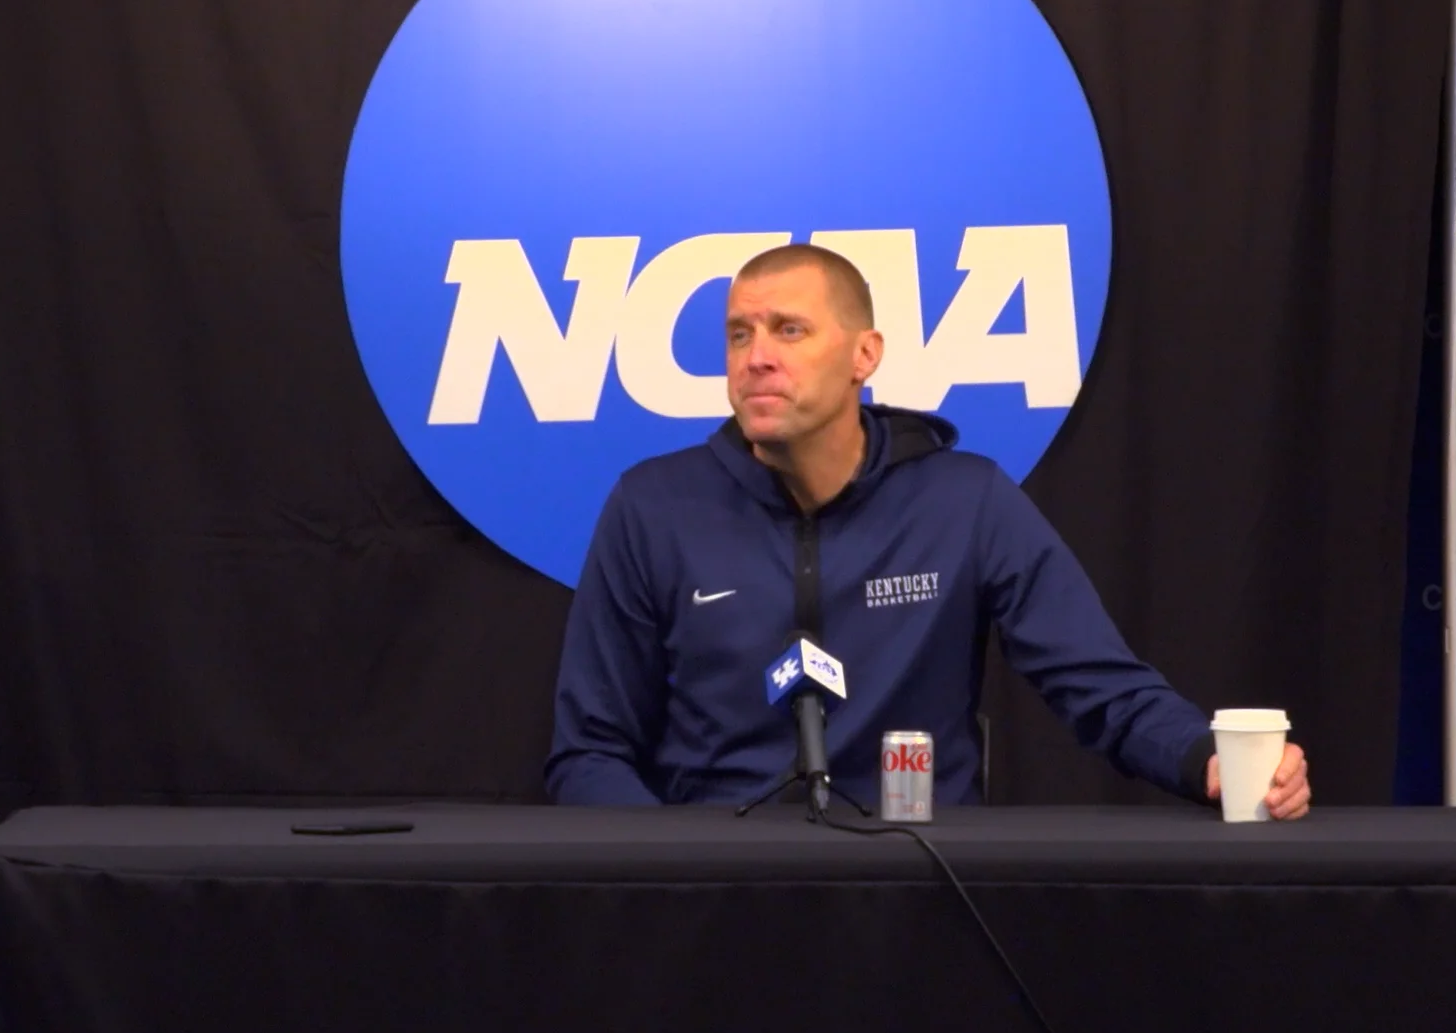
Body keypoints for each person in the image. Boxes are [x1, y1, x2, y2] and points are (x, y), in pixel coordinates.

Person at [544, 243, 1311, 817]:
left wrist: (1205, 759)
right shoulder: (653, 508)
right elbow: (589, 754)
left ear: (864, 355)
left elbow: (1101, 686)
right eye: (739, 334)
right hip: (717, 899)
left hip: (922, 885)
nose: (757, 358)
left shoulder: (964, 501)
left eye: (789, 330)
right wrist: (679, 869)